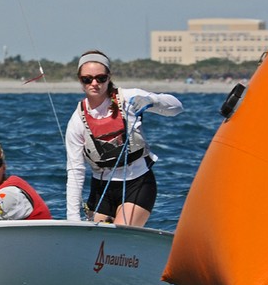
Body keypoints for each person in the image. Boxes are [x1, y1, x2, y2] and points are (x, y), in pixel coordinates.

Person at [65, 50, 183, 226]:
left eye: (101, 78)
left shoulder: (128, 97)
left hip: (137, 182)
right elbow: (75, 170)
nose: (94, 83)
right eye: (87, 79)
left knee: (117, 234)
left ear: (109, 77)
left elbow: (177, 107)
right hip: (101, 188)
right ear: (80, 80)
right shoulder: (76, 121)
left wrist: (152, 101)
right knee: (97, 244)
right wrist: (72, 220)